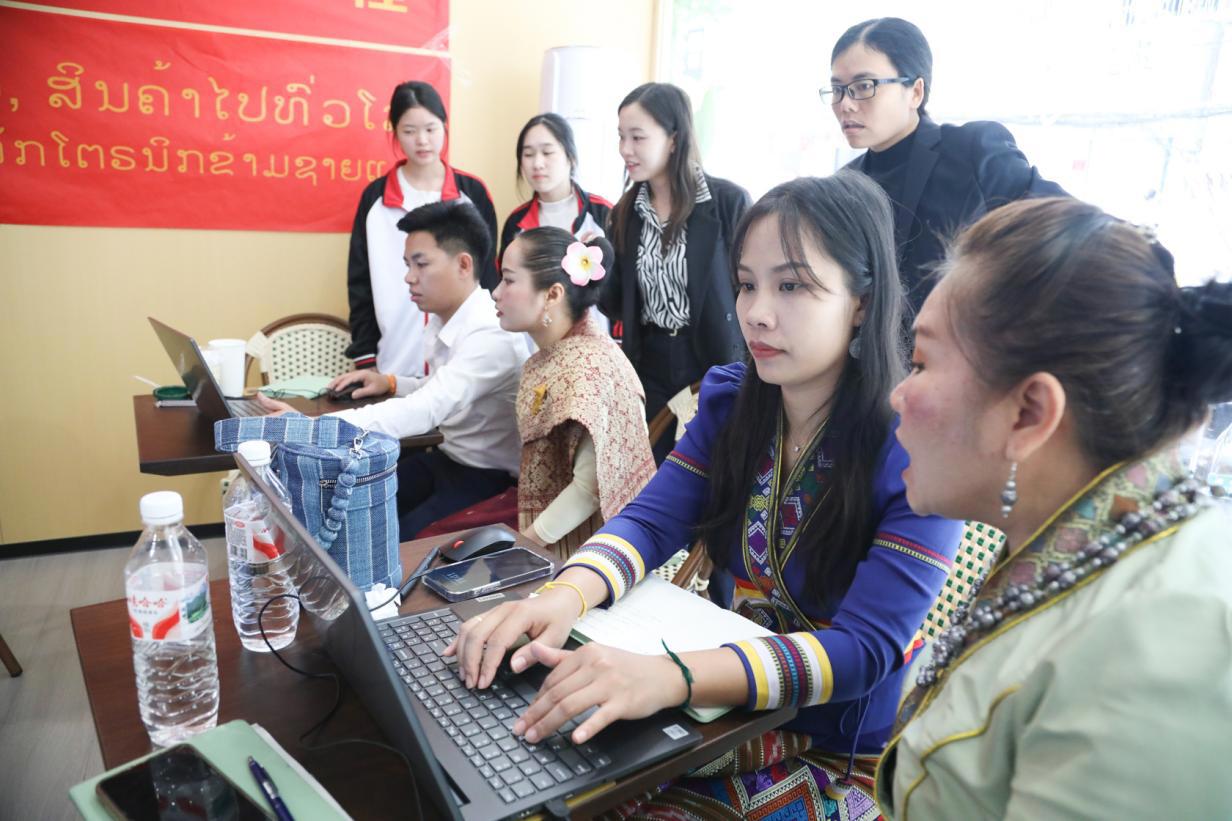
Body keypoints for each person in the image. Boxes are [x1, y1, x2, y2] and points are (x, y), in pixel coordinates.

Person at [449, 172, 964, 819]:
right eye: (747, 284)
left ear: (861, 301)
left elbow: (864, 651)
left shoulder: (916, 447)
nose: (757, 312)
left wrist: (673, 675)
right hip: (711, 707)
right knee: (533, 774)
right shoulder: (732, 401)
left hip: (831, 742)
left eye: (792, 285)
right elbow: (650, 523)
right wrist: (562, 595)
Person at [876, 197, 1232, 818]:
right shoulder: (1089, 552)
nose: (897, 396)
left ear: (1030, 413)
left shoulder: (1165, 637)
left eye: (922, 363)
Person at [259, 201, 527, 540]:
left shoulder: (490, 333)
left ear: (463, 264)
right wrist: (389, 382)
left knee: (393, 539)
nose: (409, 277)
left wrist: (315, 428)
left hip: (486, 479)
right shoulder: (449, 320)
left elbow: (427, 408)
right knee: (347, 498)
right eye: (407, 265)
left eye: (421, 264)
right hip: (446, 460)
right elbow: (441, 386)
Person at [826, 18, 1064, 314]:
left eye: (864, 86)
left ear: (915, 92)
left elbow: (1067, 228)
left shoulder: (971, 151)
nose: (845, 104)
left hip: (970, 337)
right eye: (837, 89)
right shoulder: (842, 187)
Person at [603, 82, 751, 459]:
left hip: (709, 356)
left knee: (706, 464)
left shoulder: (727, 202)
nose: (625, 149)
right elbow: (616, 303)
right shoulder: (625, 213)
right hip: (649, 360)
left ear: (673, 138)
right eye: (621, 136)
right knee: (653, 464)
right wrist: (594, 265)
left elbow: (749, 286)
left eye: (637, 137)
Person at [492, 227, 656, 557]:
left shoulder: (587, 369)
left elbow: (589, 488)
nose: (496, 293)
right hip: (559, 537)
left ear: (552, 295)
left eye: (508, 280)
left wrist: (523, 546)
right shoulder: (564, 350)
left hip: (594, 554)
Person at [345, 81, 499, 377]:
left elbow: (488, 275)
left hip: (464, 360)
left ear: (444, 127)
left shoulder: (471, 193)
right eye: (409, 131)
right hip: (394, 361)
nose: (422, 140)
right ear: (395, 133)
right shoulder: (375, 199)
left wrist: (492, 341)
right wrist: (365, 356)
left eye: (430, 129)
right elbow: (360, 282)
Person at [498, 113, 613, 260]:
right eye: (528, 154)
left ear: (570, 158)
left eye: (547, 152)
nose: (537, 164)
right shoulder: (516, 224)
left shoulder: (603, 213)